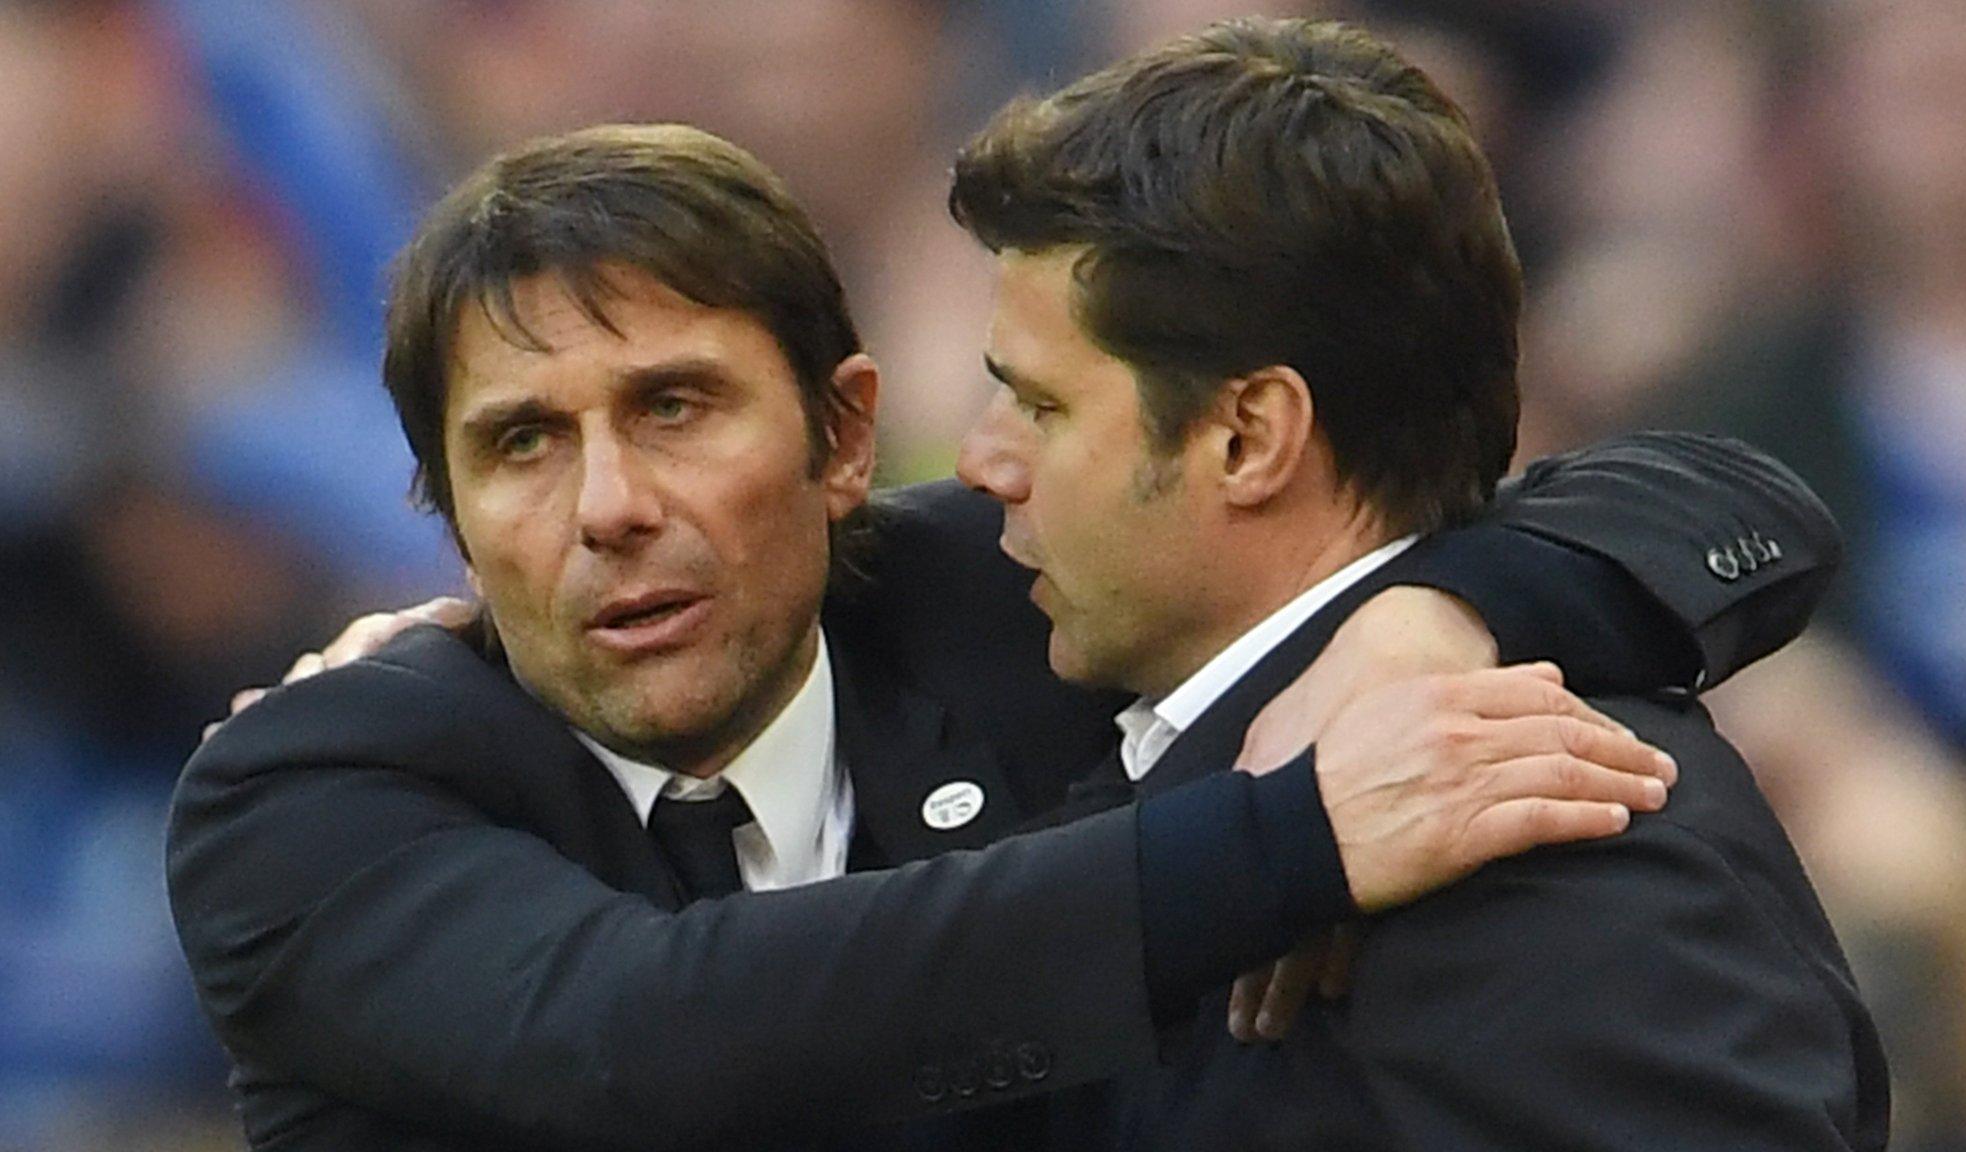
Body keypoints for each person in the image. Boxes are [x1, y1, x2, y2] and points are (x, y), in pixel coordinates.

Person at [167, 116, 1835, 1152]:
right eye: (519, 443)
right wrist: (1291, 838)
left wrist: (1431, 615)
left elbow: (1692, 497)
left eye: (673, 407)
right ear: (444, 511)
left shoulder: (1012, 599)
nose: (606, 504)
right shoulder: (319, 786)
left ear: (839, 442)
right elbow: (650, 1034)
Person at [942, 16, 1886, 1150]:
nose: (977, 462)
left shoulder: (1547, 842)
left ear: (1248, 437)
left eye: (1040, 404)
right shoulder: (1106, 695)